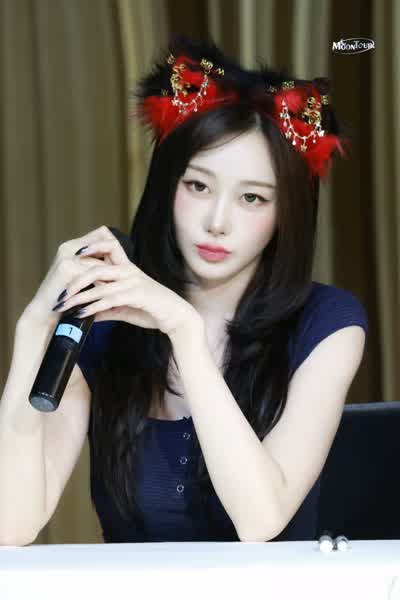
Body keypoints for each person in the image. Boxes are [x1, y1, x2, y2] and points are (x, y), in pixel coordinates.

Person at [0, 34, 368, 546]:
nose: (217, 222)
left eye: (252, 198)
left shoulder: (327, 322)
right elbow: (9, 526)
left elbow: (260, 520)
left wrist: (185, 333)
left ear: (287, 214)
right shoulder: (106, 321)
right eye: (198, 186)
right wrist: (32, 332)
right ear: (166, 185)